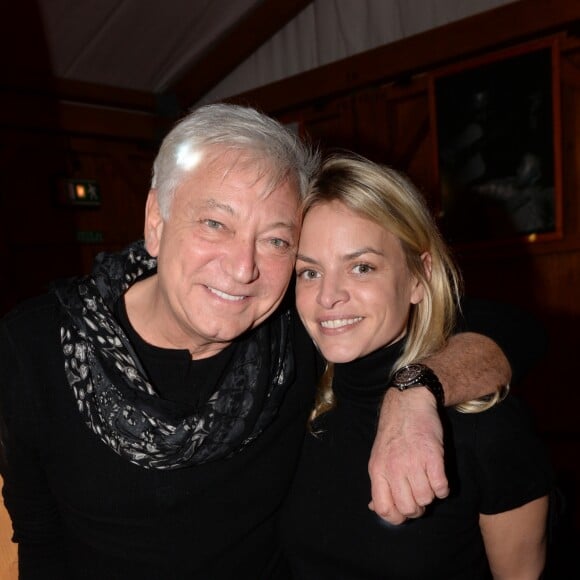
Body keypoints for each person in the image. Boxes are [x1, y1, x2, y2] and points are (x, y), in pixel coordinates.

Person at [0, 103, 538, 579]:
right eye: (215, 223)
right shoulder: (37, 348)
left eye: (277, 240)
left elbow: (509, 327)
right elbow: (39, 540)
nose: (242, 268)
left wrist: (413, 391)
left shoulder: (295, 333)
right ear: (156, 221)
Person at [280, 153, 554, 579]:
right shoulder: (300, 404)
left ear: (418, 278)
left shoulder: (486, 429)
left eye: (362, 267)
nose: (328, 296)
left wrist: (413, 390)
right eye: (309, 273)